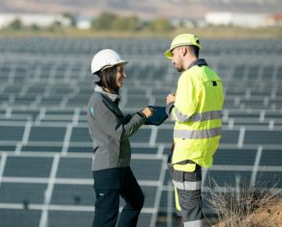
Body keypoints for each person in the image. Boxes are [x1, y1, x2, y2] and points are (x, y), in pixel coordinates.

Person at [87, 49, 154, 227]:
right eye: (119, 70)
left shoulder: (107, 100)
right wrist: (142, 116)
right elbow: (120, 132)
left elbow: (117, 124)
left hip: (120, 166)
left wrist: (139, 116)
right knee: (105, 220)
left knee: (136, 200)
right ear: (106, 72)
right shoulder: (98, 101)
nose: (124, 75)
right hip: (108, 169)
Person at [164, 33, 224, 226]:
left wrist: (171, 104)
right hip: (203, 148)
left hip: (187, 152)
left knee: (189, 208)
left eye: (173, 54)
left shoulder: (188, 77)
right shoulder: (212, 75)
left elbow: (182, 114)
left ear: (183, 50)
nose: (172, 60)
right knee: (190, 204)